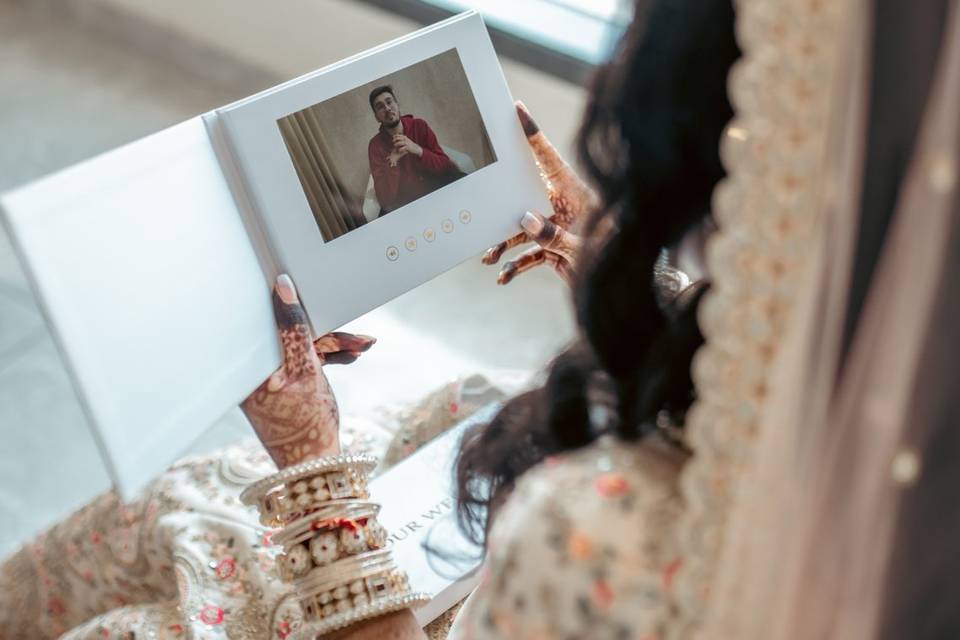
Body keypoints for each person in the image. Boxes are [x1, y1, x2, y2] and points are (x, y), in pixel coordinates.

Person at [366, 85, 463, 215]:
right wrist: (392, 162)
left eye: (389, 102)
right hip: (408, 203)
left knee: (463, 178)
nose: (387, 108)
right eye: (380, 107)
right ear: (377, 117)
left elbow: (444, 165)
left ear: (397, 105)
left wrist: (418, 150)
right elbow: (385, 199)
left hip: (434, 187)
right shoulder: (375, 146)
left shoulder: (419, 125)